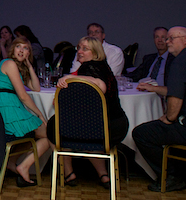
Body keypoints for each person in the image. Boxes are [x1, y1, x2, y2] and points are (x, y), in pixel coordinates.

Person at [133, 26, 186, 192]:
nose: (167, 42)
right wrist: (155, 89)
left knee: (142, 133)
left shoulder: (181, 62)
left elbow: (176, 100)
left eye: (171, 38)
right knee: (166, 128)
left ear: (185, 40)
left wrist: (168, 118)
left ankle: (172, 176)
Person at [48, 36, 128, 190]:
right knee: (77, 125)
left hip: (102, 128)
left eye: (85, 48)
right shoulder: (104, 66)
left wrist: (71, 78)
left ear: (96, 52)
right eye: (78, 47)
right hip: (114, 125)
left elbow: (100, 85)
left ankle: (68, 173)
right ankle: (103, 175)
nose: (79, 51)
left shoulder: (89, 68)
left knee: (55, 125)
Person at [0, 36, 51, 187]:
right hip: (7, 109)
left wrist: (29, 66)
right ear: (13, 49)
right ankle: (24, 166)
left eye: (26, 48)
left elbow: (36, 88)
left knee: (27, 135)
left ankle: (12, 164)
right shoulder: (9, 63)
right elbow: (23, 96)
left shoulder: (16, 66)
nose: (22, 50)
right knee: (49, 135)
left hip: (9, 107)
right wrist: (39, 114)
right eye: (19, 46)